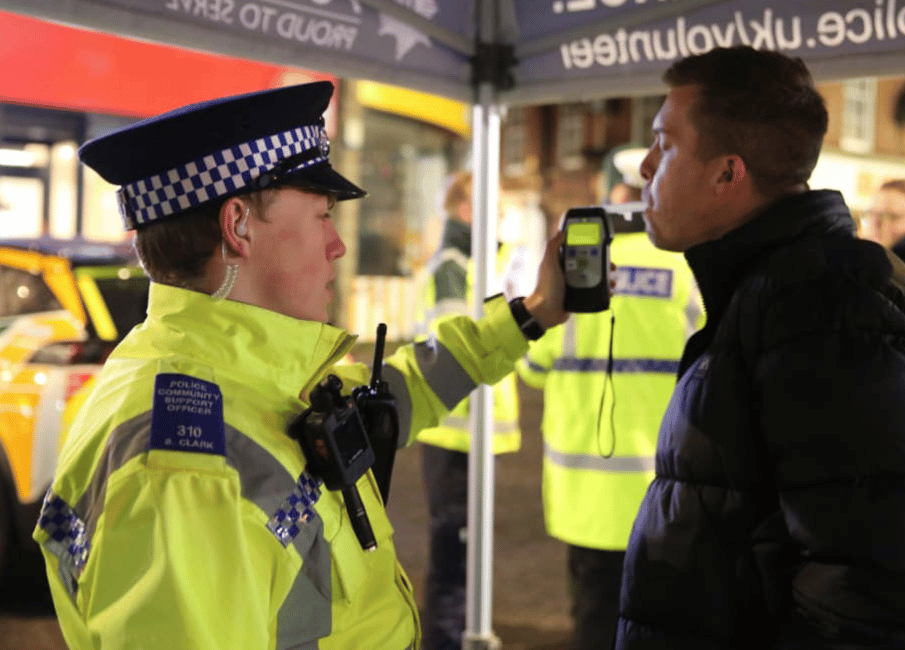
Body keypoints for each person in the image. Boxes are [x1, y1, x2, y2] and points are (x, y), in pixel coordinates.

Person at [32, 81, 568, 650]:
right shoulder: (188, 473)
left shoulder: (249, 376)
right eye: (321, 216)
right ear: (237, 226)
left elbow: (395, 395)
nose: (337, 245)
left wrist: (531, 315)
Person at [615, 46, 905, 649]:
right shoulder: (785, 289)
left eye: (664, 143)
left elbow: (877, 589)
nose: (647, 168)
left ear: (728, 172)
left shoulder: (823, 304)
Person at [517, 148, 704, 650]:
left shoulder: (577, 275)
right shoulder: (690, 272)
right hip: (667, 496)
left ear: (612, 198)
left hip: (586, 498)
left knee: (596, 623)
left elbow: (532, 369)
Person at [414, 171, 521, 650]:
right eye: (492, 205)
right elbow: (456, 354)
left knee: (465, 556)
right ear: (465, 210)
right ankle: (443, 642)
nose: (500, 214)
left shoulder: (483, 265)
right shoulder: (454, 266)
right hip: (456, 437)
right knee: (454, 559)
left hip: (470, 437)